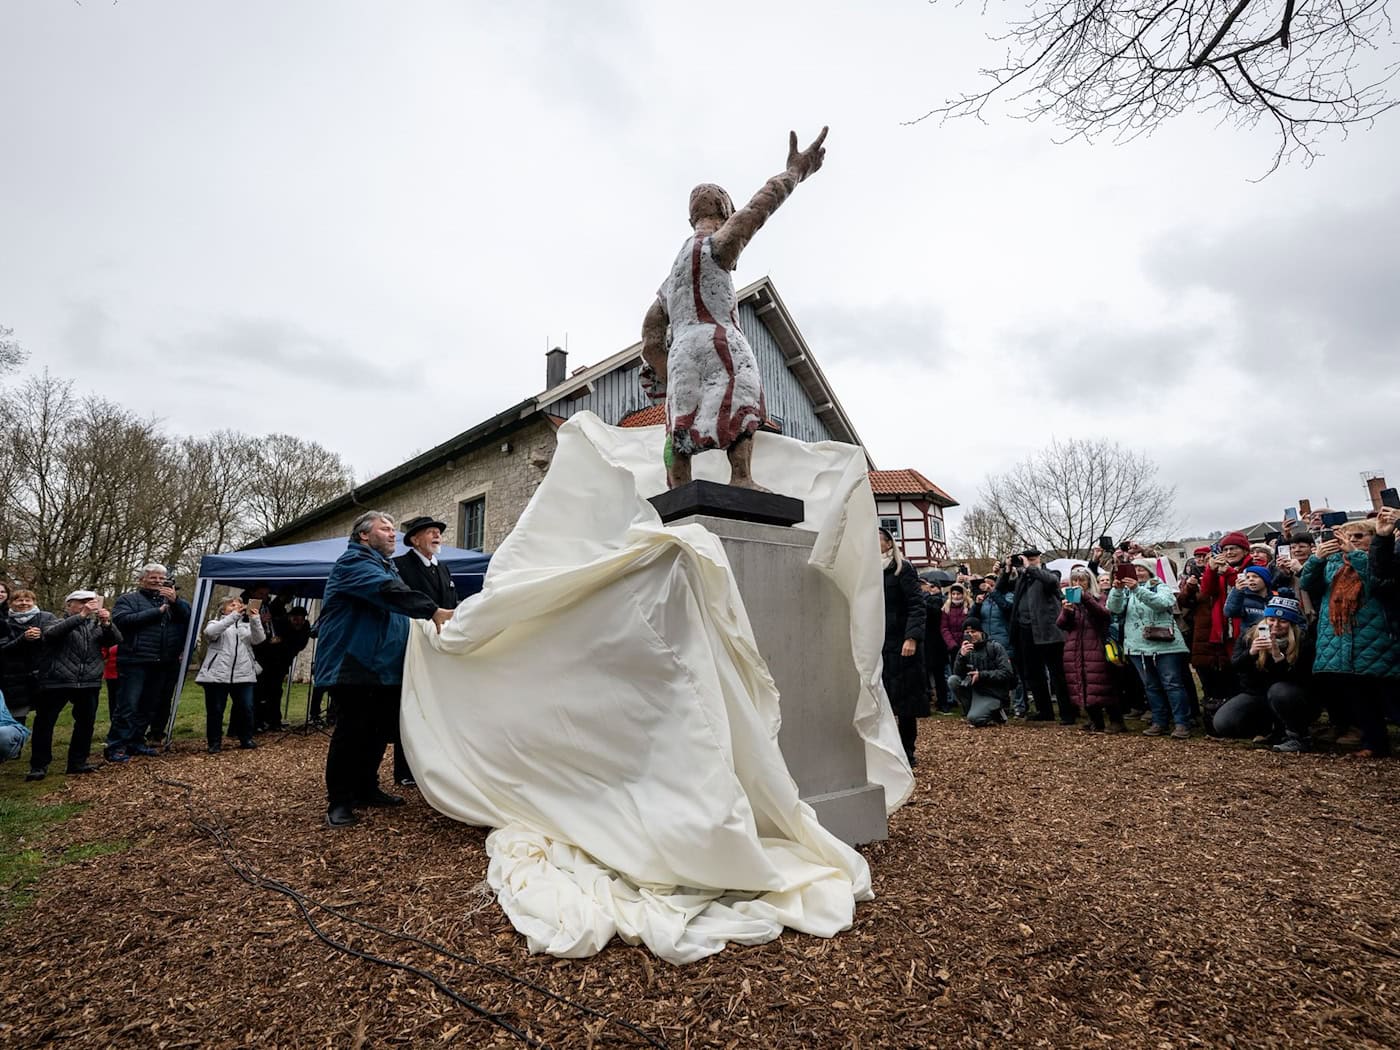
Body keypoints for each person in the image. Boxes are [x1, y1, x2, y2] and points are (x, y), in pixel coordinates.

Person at [639, 128, 828, 489]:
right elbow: (760, 206)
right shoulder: (718, 244)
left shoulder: (671, 278)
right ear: (725, 211)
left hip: (681, 352)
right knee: (742, 397)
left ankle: (679, 485)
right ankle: (741, 477)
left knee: (679, 417)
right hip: (719, 338)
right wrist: (796, 171)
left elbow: (649, 340)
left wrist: (666, 371)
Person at [315, 511, 454, 828]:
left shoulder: (386, 566)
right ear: (364, 535)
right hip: (354, 662)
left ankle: (366, 787)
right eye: (385, 529)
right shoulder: (354, 564)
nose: (393, 534)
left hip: (385, 666)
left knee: (377, 732)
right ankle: (340, 801)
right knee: (352, 731)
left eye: (393, 529)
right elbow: (387, 592)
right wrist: (431, 610)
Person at [1301, 518, 1398, 758]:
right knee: (1359, 696)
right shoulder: (1333, 563)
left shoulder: (1382, 560)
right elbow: (1307, 583)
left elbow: (1375, 582)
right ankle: (1374, 744)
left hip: (1375, 635)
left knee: (1389, 696)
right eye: (1349, 536)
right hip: (1341, 636)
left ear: (1374, 538)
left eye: (1359, 536)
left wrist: (1355, 553)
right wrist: (1317, 559)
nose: (1352, 540)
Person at [26, 591, 121, 780]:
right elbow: (51, 635)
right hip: (56, 681)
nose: (87, 605)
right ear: (69, 605)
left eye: (90, 602)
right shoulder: (53, 621)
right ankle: (38, 765)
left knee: (85, 724)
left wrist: (107, 623)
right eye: (81, 602)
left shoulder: (95, 626)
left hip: (88, 681)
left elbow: (116, 640)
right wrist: (82, 615)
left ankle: (78, 762)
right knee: (45, 723)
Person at [105, 564, 191, 762]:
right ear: (142, 579)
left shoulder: (173, 602)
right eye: (153, 577)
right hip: (135, 659)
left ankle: (136, 741)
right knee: (128, 705)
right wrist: (156, 612)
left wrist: (176, 601)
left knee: (148, 705)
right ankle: (116, 745)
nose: (158, 581)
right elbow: (122, 621)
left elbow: (189, 617)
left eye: (162, 578)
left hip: (162, 661)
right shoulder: (128, 600)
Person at [1212, 595, 1315, 749]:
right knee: (1223, 723)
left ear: (1291, 623)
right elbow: (1236, 667)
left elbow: (1302, 678)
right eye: (1271, 619)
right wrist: (1251, 653)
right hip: (1257, 693)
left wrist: (1278, 657)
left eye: (1283, 621)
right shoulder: (1249, 635)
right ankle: (1267, 730)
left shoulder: (1303, 640)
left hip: (1290, 697)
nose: (1276, 625)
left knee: (1279, 691)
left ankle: (1298, 736)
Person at [1108, 558, 1194, 739]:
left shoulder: (1159, 586)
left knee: (1172, 684)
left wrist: (1137, 589)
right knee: (1150, 686)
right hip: (1137, 645)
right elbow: (1114, 609)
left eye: (1141, 569)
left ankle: (1182, 723)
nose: (1138, 573)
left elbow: (1163, 603)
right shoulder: (1125, 591)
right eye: (1134, 569)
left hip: (1165, 645)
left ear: (1150, 571)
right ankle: (1159, 721)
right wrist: (1117, 590)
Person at [879, 528, 926, 767]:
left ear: (889, 544)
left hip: (901, 641)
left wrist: (912, 637)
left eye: (877, 539)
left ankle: (907, 750)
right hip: (880, 641)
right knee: (883, 697)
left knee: (905, 699)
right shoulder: (869, 571)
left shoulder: (902, 568)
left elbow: (917, 605)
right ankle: (887, 748)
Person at [1009, 547, 1073, 723]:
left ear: (1039, 558)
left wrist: (1030, 568)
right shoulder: (1022, 578)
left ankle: (1067, 713)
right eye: (1026, 559)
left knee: (1057, 674)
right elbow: (1002, 589)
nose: (1029, 562)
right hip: (1026, 631)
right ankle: (1044, 711)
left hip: (1049, 631)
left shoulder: (1051, 573)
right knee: (1034, 673)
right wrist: (1007, 569)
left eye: (1032, 558)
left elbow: (1051, 582)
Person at [1056, 568, 1124, 732]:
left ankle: (1116, 720)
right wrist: (1066, 612)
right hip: (1075, 647)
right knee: (1081, 682)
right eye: (1075, 581)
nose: (1078, 584)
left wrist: (1086, 598)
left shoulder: (1099, 598)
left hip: (1096, 645)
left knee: (1102, 683)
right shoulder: (1071, 601)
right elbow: (1061, 625)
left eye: (1082, 580)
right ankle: (1095, 719)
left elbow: (1104, 615)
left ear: (1089, 582)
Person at [196, 596, 266, 753]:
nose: (236, 607)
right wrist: (233, 616)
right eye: (232, 605)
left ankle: (246, 738)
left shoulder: (245, 626)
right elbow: (210, 633)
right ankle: (214, 743)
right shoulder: (214, 623)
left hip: (244, 674)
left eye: (239, 604)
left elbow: (259, 639)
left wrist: (255, 619)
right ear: (223, 609)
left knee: (246, 707)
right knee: (216, 710)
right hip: (217, 675)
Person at [251, 598, 312, 732]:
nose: (298, 622)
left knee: (276, 692)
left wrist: (281, 641)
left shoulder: (305, 628)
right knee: (261, 692)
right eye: (295, 619)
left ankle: (273, 721)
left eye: (301, 620)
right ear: (290, 618)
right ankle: (259, 721)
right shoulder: (279, 623)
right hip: (267, 661)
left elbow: (299, 644)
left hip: (282, 663)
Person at [0, 589, 57, 726]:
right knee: (16, 717)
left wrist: (41, 636)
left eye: (28, 600)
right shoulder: (4, 621)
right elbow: (4, 648)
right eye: (19, 600)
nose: (24, 603)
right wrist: (23, 638)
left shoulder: (47, 617)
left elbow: (57, 639)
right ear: (11, 603)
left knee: (45, 717)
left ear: (34, 602)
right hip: (14, 678)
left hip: (43, 675)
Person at [948, 617, 1015, 727]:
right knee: (953, 680)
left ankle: (997, 711)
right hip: (975, 690)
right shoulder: (965, 649)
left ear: (981, 632)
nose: (971, 635)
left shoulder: (994, 647)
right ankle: (972, 712)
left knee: (975, 719)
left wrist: (981, 675)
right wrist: (961, 657)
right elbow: (957, 674)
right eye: (967, 632)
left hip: (993, 692)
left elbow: (1007, 673)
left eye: (973, 631)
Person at [394, 516, 461, 608]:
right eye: (430, 532)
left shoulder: (443, 568)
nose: (437, 535)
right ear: (415, 540)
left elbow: (453, 600)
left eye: (438, 532)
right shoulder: (399, 565)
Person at [919, 579, 953, 713]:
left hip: (937, 643)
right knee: (925, 675)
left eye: (932, 586)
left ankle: (943, 702)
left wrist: (925, 595)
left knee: (939, 675)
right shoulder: (924, 600)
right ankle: (928, 700)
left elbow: (934, 612)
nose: (930, 589)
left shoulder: (940, 600)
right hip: (925, 641)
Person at [1223, 564, 1273, 633]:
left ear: (1265, 579)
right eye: (1248, 577)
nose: (1251, 579)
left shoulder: (1274, 599)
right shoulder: (1243, 598)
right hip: (1249, 637)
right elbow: (1230, 612)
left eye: (1255, 576)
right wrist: (1237, 591)